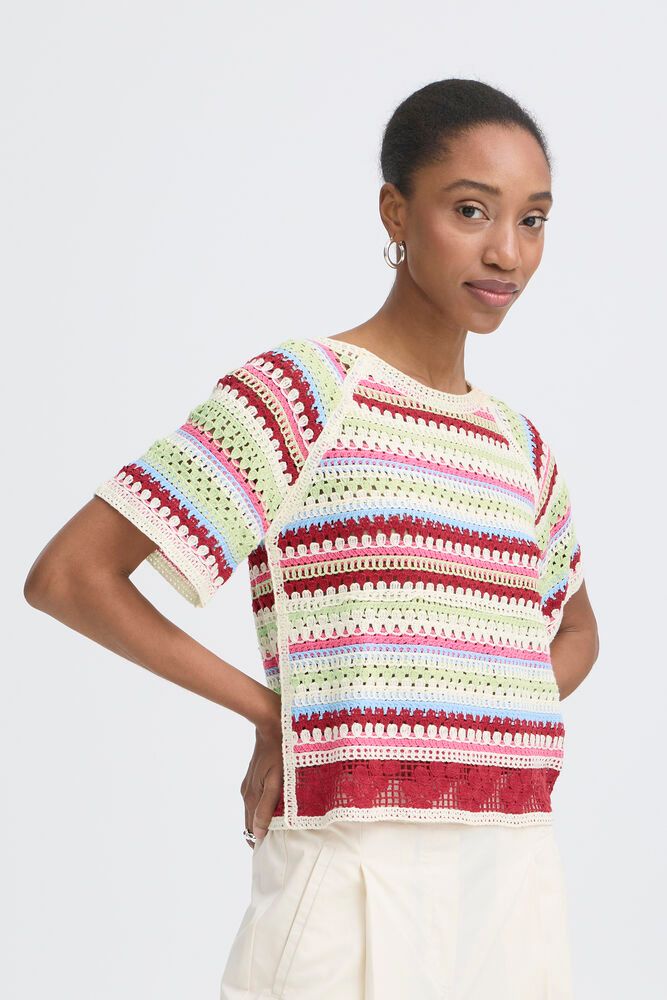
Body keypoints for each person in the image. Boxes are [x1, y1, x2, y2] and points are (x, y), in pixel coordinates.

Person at [24, 78, 599, 999]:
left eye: (532, 220)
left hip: (513, 879)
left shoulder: (518, 446)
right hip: (350, 868)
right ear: (395, 212)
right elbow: (71, 575)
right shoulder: (304, 393)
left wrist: (464, 706)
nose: (506, 251)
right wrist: (282, 714)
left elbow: (574, 630)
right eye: (470, 210)